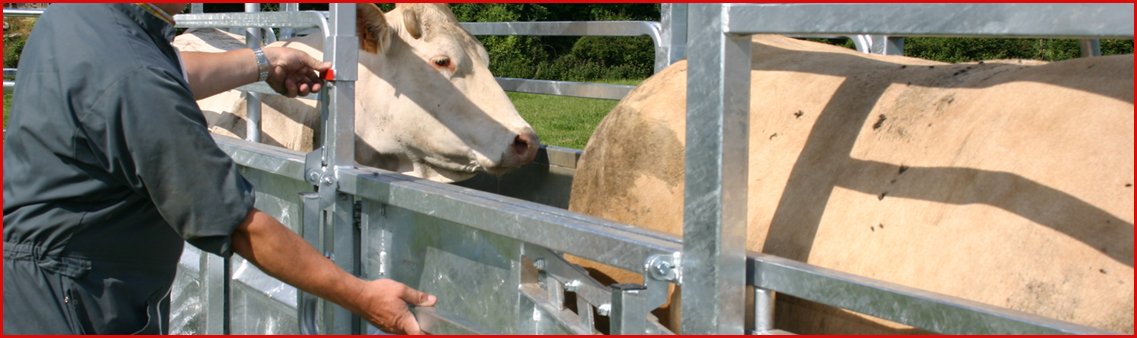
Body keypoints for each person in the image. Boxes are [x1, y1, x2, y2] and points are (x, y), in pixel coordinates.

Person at [3, 3, 436, 334]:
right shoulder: (134, 78)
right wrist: (362, 296)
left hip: (45, 279)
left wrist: (265, 61)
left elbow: (165, 70)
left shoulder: (79, 18)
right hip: (74, 302)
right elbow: (235, 222)